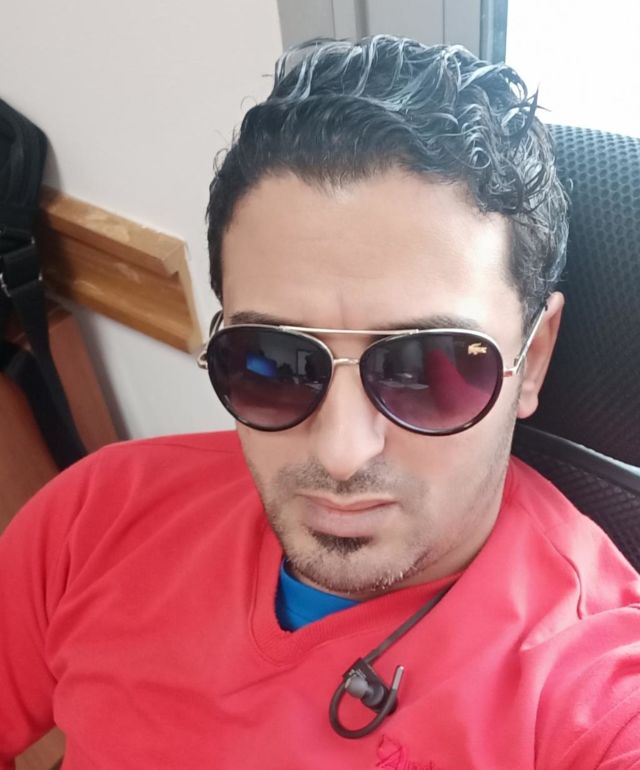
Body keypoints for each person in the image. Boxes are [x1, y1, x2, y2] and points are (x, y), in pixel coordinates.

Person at [1, 35, 639, 769]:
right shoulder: (96, 517)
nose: (341, 452)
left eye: (428, 368)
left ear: (534, 358)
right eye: (274, 362)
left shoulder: (590, 699)